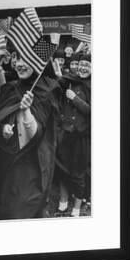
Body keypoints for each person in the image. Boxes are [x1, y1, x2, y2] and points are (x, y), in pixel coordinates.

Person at [0, 51, 61, 219]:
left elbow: (36, 135)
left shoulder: (48, 88)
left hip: (31, 164)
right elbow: (5, 100)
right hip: (6, 159)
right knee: (1, 207)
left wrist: (27, 111)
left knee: (20, 210)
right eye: (17, 58)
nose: (19, 63)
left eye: (26, 59)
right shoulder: (14, 86)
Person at [55, 53, 91, 216]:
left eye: (87, 65)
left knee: (78, 173)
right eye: (81, 64)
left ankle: (76, 207)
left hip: (82, 138)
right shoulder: (70, 81)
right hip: (66, 134)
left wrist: (75, 99)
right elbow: (59, 85)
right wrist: (58, 75)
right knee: (62, 169)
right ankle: (63, 201)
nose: (83, 68)